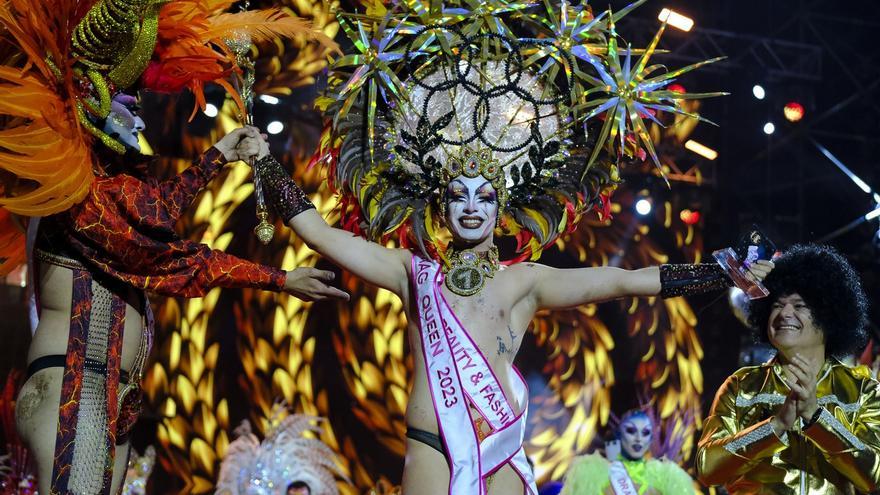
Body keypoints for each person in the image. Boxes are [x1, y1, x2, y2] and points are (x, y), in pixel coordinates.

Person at [253, 2, 771, 492]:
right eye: (458, 196)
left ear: (501, 209)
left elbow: (625, 281)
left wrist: (722, 271)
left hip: (498, 446)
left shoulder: (527, 279)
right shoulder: (410, 272)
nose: (472, 207)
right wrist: (263, 162)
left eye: (485, 196)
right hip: (431, 444)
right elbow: (318, 231)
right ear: (442, 206)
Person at [0, 0, 342, 492]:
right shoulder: (75, 194)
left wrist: (282, 279)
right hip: (77, 385)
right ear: (89, 102)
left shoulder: (110, 188)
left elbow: (174, 254)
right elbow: (156, 231)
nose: (139, 117)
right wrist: (217, 158)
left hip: (113, 391)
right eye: (127, 103)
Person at [696, 244, 880, 494]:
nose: (785, 313)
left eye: (800, 305)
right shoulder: (741, 386)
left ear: (829, 316)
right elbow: (707, 468)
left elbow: (876, 477)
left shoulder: (864, 391)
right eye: (776, 305)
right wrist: (775, 426)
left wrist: (817, 418)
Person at [562, 408, 695, 495]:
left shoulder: (666, 477)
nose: (638, 439)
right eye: (631, 431)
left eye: (645, 432)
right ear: (619, 434)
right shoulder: (591, 473)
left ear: (651, 439)